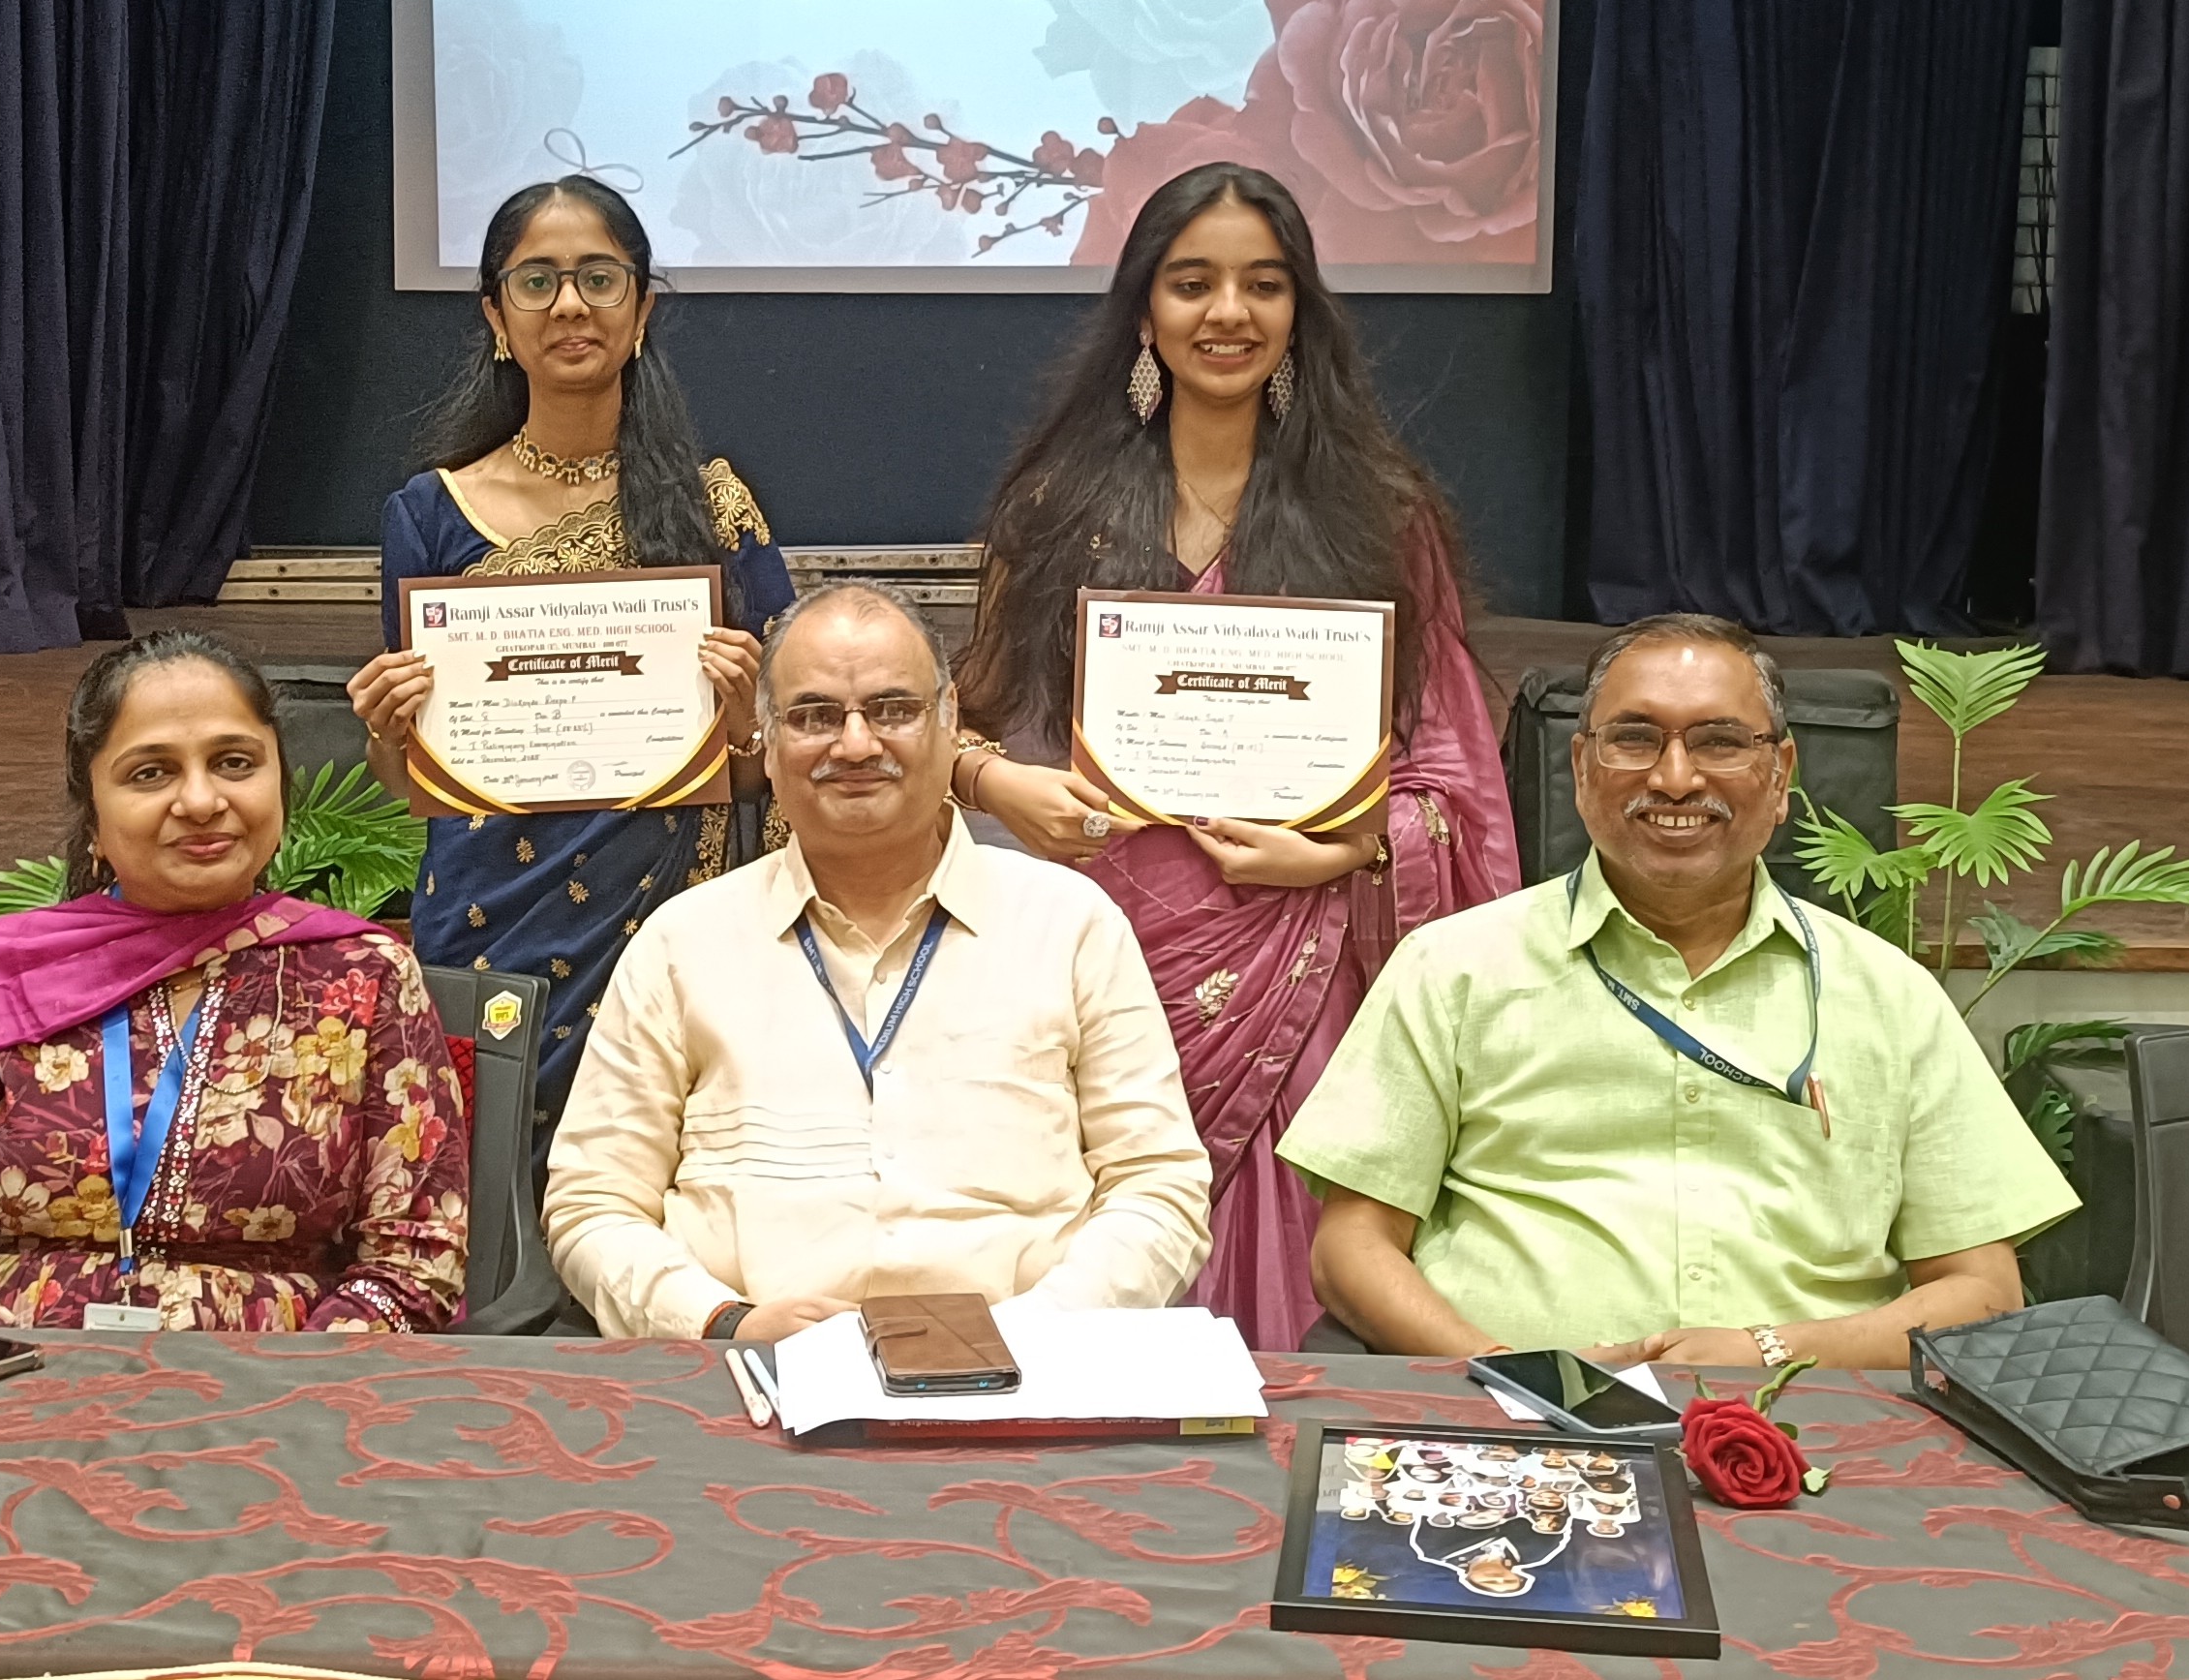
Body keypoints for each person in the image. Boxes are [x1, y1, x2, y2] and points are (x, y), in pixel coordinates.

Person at [953, 162, 1519, 1352]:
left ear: (1300, 310)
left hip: (1305, 981)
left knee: (1295, 1300)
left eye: (1263, 284)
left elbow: (1451, 778)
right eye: (1192, 282)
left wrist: (1344, 852)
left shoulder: (1377, 514)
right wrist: (996, 782)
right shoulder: (1059, 504)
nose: (1228, 312)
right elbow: (953, 720)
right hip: (1104, 958)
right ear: (1143, 311)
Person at [1282, 613, 2080, 1367]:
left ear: (1781, 774)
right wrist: (1516, 1378)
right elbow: (1350, 1250)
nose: (1673, 777)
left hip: (1812, 1425)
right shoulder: (1452, 968)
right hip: (1512, 1428)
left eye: (1719, 742)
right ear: (1580, 767)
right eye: (1634, 738)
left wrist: (1769, 1353)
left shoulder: (1890, 996)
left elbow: (1982, 1291)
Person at [543, 581, 1213, 1343]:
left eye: (893, 709)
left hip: (1032, 1375)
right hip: (746, 1379)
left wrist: (1038, 1331)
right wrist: (723, 1320)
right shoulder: (682, 943)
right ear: (767, 742)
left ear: (950, 720)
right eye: (814, 716)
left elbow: (1160, 1185)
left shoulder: (1069, 925)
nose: (856, 745)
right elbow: (592, 1202)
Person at [0, 631, 471, 1332]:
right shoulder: (3, 979)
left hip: (281, 1386)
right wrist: (22, 1373)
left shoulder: (362, 975)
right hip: (5, 1379)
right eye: (150, 773)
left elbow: (415, 1262)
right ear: (94, 818)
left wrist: (285, 1384)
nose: (200, 800)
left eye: (234, 762)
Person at [350, 176, 794, 1152]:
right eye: (537, 280)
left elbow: (783, 762)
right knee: (489, 1174)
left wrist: (745, 726)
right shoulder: (429, 514)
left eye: (599, 277)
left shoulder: (713, 508)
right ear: (495, 316)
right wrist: (385, 729)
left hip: (671, 919)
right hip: (489, 916)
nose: (569, 305)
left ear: (642, 307)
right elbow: (411, 773)